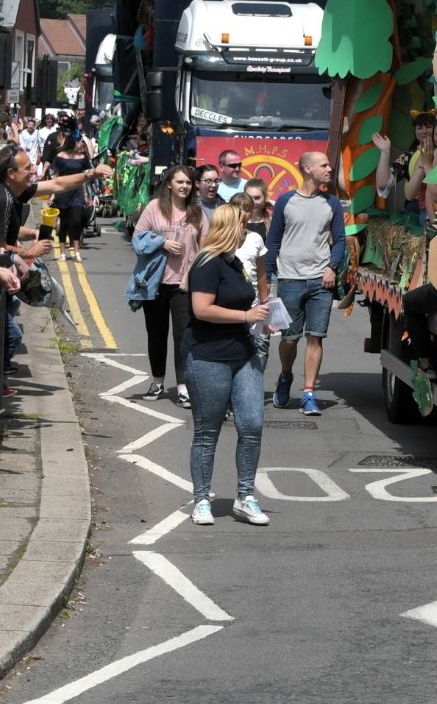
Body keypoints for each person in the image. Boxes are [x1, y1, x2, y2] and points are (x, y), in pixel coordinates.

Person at [184, 205, 273, 526]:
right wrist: (247, 316)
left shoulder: (234, 262)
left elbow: (244, 300)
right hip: (208, 355)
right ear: (227, 227)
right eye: (242, 226)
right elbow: (202, 309)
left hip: (243, 352)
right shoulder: (207, 262)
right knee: (207, 433)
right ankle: (202, 500)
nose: (246, 232)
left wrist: (263, 317)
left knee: (251, 426)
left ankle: (246, 497)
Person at [266, 150, 349, 416]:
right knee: (289, 339)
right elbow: (273, 242)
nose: (329, 168)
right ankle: (286, 375)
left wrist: (331, 267)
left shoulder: (332, 203)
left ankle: (308, 393)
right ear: (307, 169)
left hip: (320, 282)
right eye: (324, 165)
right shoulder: (285, 201)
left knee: (316, 338)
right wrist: (268, 281)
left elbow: (339, 240)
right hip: (290, 279)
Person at [130, 166, 205, 405]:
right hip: (155, 283)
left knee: (184, 337)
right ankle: (158, 382)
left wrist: (190, 276)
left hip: (184, 284)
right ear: (169, 184)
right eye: (180, 182)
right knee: (156, 334)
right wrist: (162, 243)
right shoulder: (154, 207)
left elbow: (205, 250)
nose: (185, 186)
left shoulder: (197, 213)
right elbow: (137, 238)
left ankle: (182, 386)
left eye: (189, 183)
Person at [48, 134, 92, 258]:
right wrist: (52, 194)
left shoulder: (82, 157)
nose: (81, 144)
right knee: (64, 223)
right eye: (79, 141)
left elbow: (84, 177)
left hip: (77, 191)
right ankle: (62, 252)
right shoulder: (60, 157)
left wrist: (85, 195)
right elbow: (55, 176)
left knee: (77, 221)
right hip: (63, 191)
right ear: (73, 142)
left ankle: (76, 251)